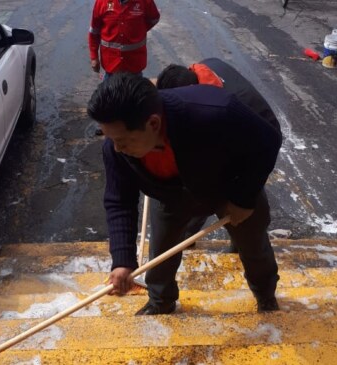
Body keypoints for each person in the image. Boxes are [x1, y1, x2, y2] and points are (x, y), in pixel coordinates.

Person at [87, 73, 283, 315]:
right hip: (171, 193)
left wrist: (244, 197)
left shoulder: (215, 111)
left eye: (124, 141)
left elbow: (267, 140)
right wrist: (123, 260)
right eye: (111, 139)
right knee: (160, 253)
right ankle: (161, 302)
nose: (117, 148)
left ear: (154, 124)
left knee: (253, 245)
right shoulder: (116, 147)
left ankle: (266, 296)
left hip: (229, 185)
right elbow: (119, 201)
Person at [155, 58, 282, 245]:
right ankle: (188, 234)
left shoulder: (232, 110)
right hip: (221, 137)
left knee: (243, 211)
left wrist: (243, 200)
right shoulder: (202, 70)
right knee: (200, 188)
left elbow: (266, 150)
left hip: (252, 146)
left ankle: (242, 245)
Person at [88, 0, 160, 79]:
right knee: (110, 90)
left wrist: (139, 30)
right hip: (111, 65)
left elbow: (154, 18)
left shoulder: (145, 2)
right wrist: (94, 57)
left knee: (135, 90)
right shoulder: (101, 2)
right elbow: (94, 32)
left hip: (135, 65)